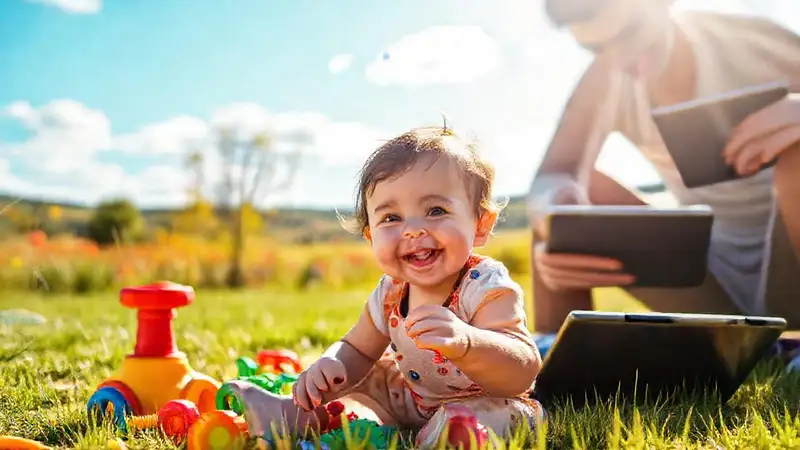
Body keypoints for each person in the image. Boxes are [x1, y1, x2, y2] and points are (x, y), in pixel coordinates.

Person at [226, 126, 545, 447]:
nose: (413, 230)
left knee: (498, 415)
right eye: (391, 218)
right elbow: (357, 349)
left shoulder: (484, 285)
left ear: (480, 225)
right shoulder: (391, 292)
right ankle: (297, 413)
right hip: (409, 398)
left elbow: (523, 370)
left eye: (436, 211)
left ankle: (453, 433)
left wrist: (468, 342)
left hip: (490, 399)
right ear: (371, 236)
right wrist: (332, 363)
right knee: (364, 380)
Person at [528, 0, 800, 334]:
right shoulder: (607, 74)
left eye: (630, 33)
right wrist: (553, 225)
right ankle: (554, 365)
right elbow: (549, 179)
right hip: (711, 281)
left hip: (792, 263)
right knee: (566, 204)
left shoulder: (750, 40)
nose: (622, 58)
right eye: (595, 47)